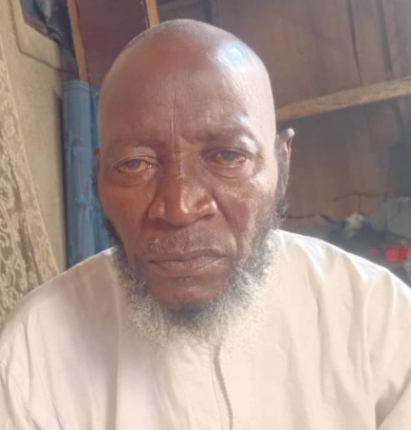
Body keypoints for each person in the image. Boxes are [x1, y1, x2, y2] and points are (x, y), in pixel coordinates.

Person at [1, 19, 411, 430]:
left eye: (229, 156)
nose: (179, 209)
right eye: (135, 165)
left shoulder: (377, 320)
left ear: (281, 163)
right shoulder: (33, 357)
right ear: (97, 178)